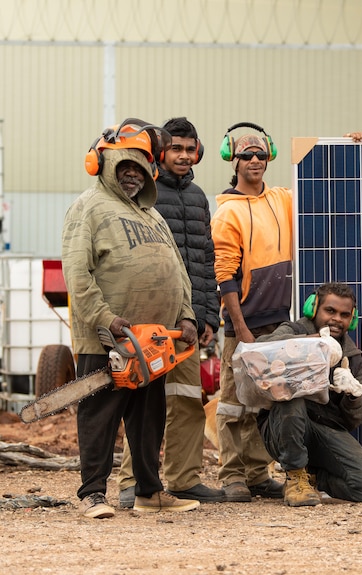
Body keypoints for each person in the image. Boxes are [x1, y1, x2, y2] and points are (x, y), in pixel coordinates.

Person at [65, 118, 200, 518]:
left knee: (148, 418)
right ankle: (92, 494)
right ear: (103, 165)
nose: (131, 176)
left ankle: (149, 491)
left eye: (139, 169)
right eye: (124, 167)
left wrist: (187, 315)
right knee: (99, 416)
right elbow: (77, 273)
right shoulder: (87, 207)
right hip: (106, 337)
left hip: (154, 340)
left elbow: (178, 270)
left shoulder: (152, 215)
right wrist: (106, 319)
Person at [116, 117, 225, 507]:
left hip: (191, 321)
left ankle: (183, 479)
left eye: (189, 148)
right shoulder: (143, 191)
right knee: (143, 404)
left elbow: (206, 259)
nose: (182, 155)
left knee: (186, 399)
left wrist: (209, 314)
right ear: (160, 152)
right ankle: (133, 482)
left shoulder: (198, 197)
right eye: (175, 148)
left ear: (198, 152)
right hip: (152, 317)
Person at [211, 124, 293, 502]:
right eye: (247, 155)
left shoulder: (282, 200)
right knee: (233, 402)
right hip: (245, 324)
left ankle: (259, 474)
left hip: (281, 323)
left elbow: (325, 188)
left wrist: (348, 147)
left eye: (260, 154)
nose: (255, 160)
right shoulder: (227, 213)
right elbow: (224, 275)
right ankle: (232, 476)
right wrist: (241, 329)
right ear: (234, 159)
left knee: (265, 401)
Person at [255, 282, 362, 506]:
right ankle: (295, 477)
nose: (336, 319)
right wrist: (311, 343)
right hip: (282, 427)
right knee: (292, 397)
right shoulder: (293, 330)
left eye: (345, 315)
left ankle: (312, 476)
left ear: (352, 319)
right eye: (330, 311)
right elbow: (261, 346)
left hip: (324, 429)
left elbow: (351, 421)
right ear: (313, 309)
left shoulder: (352, 358)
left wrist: (352, 395)